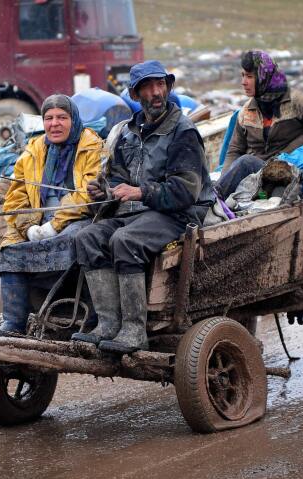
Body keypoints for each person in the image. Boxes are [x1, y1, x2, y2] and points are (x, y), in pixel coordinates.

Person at [71, 60, 214, 353]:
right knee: (86, 237)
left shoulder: (183, 132)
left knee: (125, 241)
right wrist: (104, 191)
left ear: (168, 87)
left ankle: (134, 331)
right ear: (135, 94)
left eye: (160, 84)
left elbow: (186, 190)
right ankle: (108, 324)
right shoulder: (127, 132)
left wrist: (139, 191)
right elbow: (118, 180)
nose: (156, 92)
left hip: (178, 214)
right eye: (148, 87)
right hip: (139, 212)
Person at [0, 94, 103, 335]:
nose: (55, 124)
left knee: (78, 240)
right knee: (9, 247)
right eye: (49, 118)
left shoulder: (90, 145)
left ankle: (92, 321)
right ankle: (14, 323)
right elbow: (16, 196)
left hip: (79, 217)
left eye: (62, 117)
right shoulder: (34, 149)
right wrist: (29, 226)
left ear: (73, 119)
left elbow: (88, 193)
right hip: (38, 220)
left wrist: (55, 225)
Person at [216, 50, 303, 198]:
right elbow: (234, 150)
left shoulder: (299, 102)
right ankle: (216, 197)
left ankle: (212, 200)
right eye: (242, 75)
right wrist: (224, 180)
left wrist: (289, 152)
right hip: (258, 174)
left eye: (250, 76)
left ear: (264, 77)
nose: (243, 82)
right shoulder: (245, 112)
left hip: (287, 170)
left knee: (246, 162)